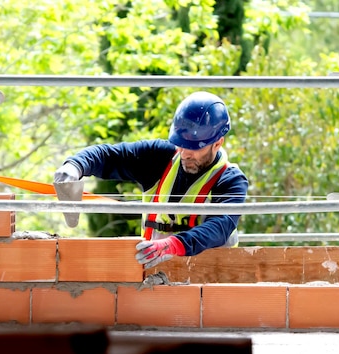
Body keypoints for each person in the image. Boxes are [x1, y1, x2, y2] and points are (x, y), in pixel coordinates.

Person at [54, 91, 249, 269]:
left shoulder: (231, 180)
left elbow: (220, 226)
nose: (185, 154)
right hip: (155, 275)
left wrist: (173, 244)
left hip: (213, 279)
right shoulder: (160, 158)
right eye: (181, 145)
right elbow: (109, 155)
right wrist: (74, 166)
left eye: (194, 148)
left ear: (217, 143)